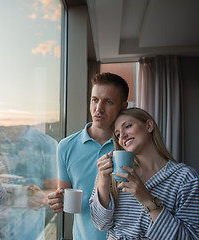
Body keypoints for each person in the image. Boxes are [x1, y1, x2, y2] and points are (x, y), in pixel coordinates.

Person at [90, 107, 199, 239]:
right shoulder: (115, 175)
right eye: (118, 134)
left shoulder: (185, 178)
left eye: (128, 126)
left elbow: (191, 237)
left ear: (149, 126)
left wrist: (147, 199)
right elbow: (101, 224)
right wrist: (103, 182)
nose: (122, 136)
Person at [47, 72, 129, 239]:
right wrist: (58, 201)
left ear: (123, 106)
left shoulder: (130, 145)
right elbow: (65, 194)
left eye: (109, 102)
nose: (98, 109)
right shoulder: (65, 146)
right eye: (95, 100)